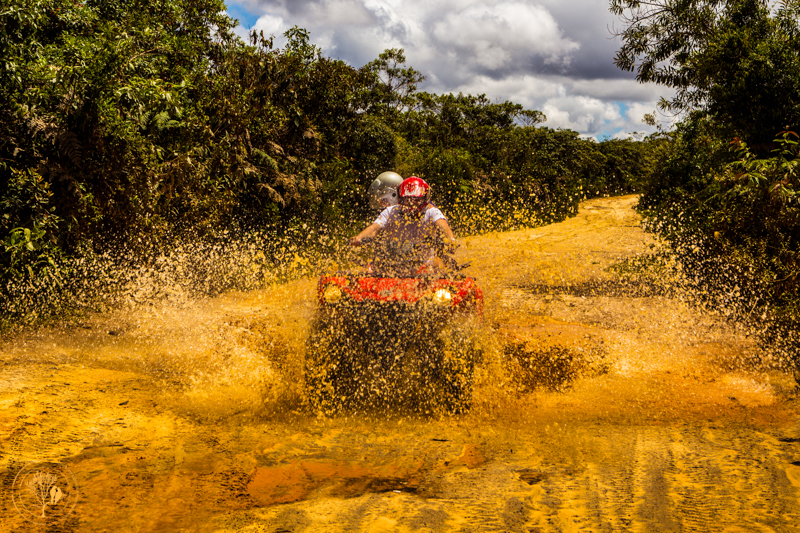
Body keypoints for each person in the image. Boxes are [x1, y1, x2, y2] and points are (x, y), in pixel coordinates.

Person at [350, 176, 457, 276]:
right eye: (407, 199)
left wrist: (450, 240)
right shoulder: (391, 212)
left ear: (425, 199)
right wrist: (359, 238)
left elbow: (443, 226)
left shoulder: (432, 212)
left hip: (424, 264)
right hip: (391, 262)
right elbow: (374, 228)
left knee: (438, 265)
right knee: (368, 271)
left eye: (416, 199)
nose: (412, 203)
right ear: (401, 199)